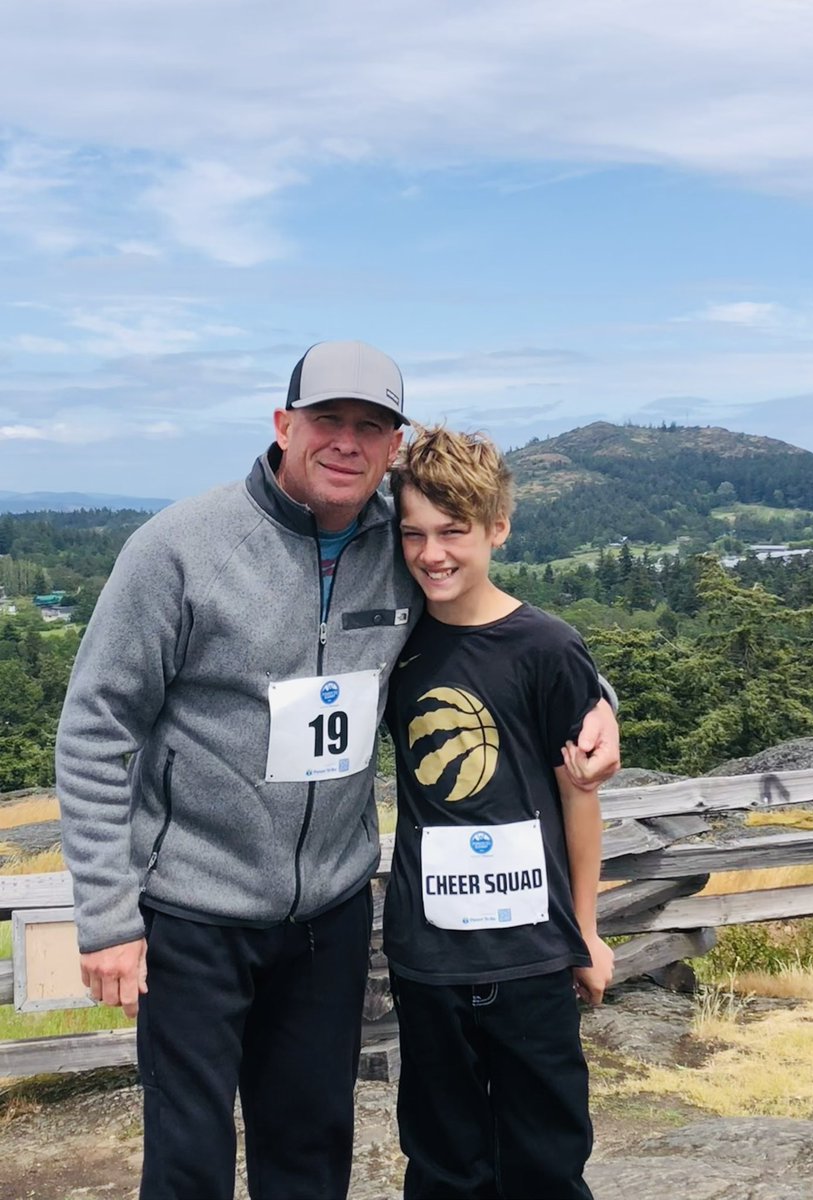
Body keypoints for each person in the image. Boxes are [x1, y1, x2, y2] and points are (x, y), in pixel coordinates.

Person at [55, 341, 620, 1200]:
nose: (347, 443)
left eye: (371, 426)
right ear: (284, 426)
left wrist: (598, 703)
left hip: (330, 916)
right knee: (190, 1159)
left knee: (312, 1151)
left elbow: (496, 630)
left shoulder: (400, 542)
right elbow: (96, 728)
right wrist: (106, 914)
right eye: (327, 421)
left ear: (393, 448)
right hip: (195, 912)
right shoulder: (177, 549)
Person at [384, 425, 616, 1200]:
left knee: (547, 1161)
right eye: (413, 534)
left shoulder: (547, 647)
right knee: (443, 1165)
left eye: (453, 532)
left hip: (532, 957)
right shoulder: (394, 645)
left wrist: (585, 930)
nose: (433, 553)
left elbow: (579, 797)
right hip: (429, 955)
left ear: (497, 529)